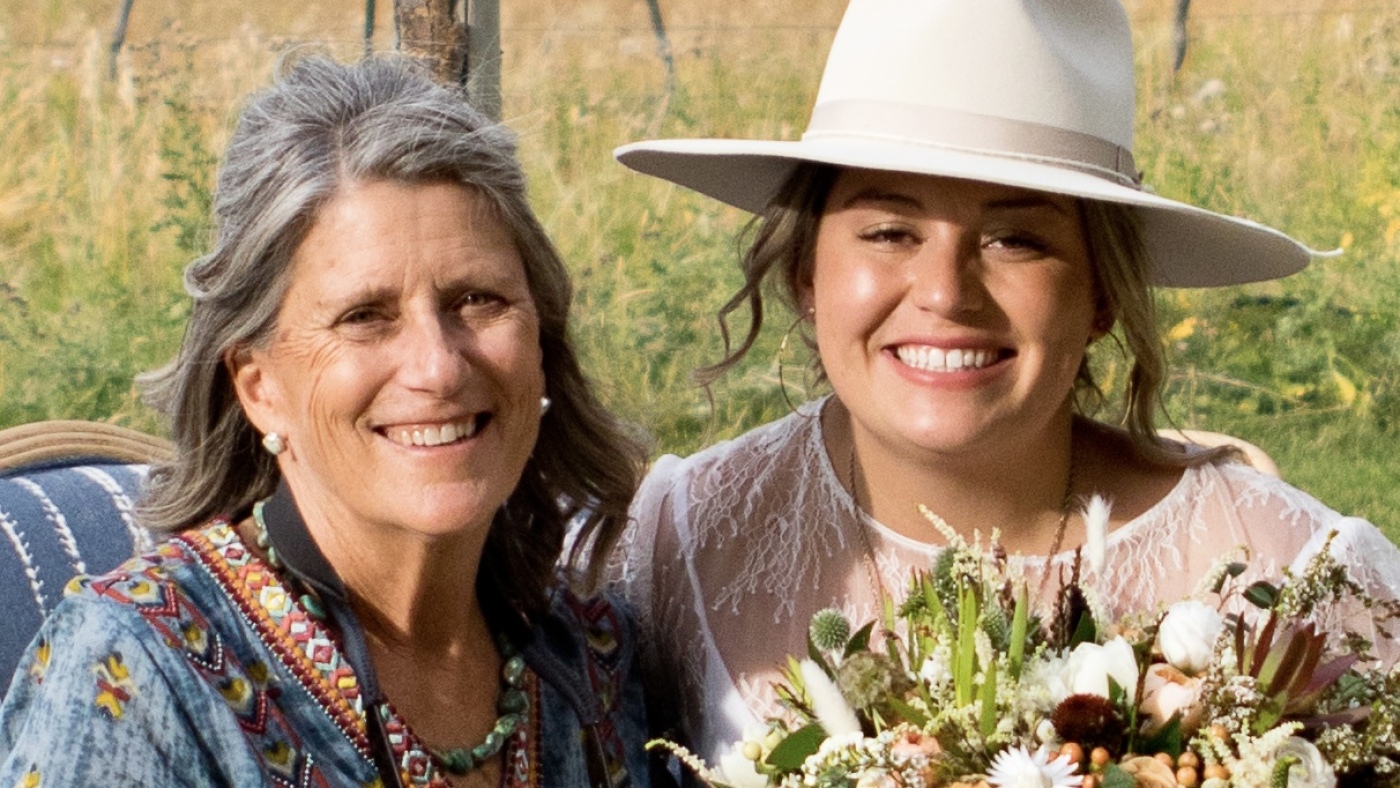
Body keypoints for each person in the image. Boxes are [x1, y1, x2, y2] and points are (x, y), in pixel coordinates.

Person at [610, 0, 1400, 761]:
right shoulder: (676, 545)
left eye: (1016, 239)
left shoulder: (1292, 573)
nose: (946, 291)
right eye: (889, 231)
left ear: (1101, 293)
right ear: (805, 273)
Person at [0, 56, 652, 787]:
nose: (437, 366)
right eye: (365, 316)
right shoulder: (140, 670)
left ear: (542, 343)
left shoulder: (589, 661)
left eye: (478, 299)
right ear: (259, 388)